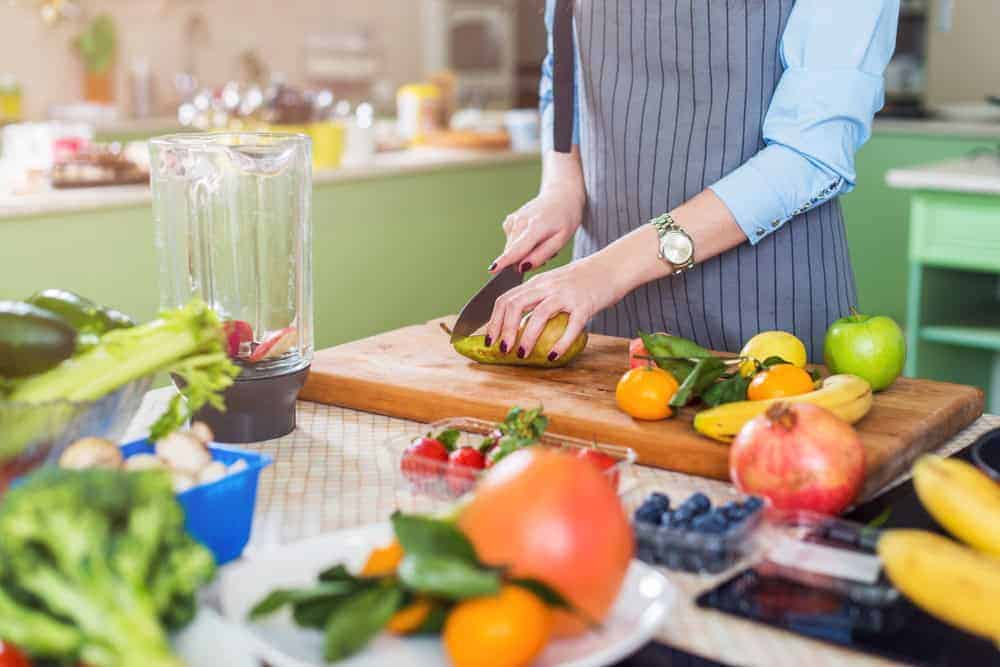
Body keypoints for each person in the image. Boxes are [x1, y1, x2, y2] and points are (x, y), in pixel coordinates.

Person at [484, 0, 900, 363]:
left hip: (763, 311)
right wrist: (562, 186)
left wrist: (609, 271)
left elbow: (809, 156)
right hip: (602, 308)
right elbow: (562, 77)